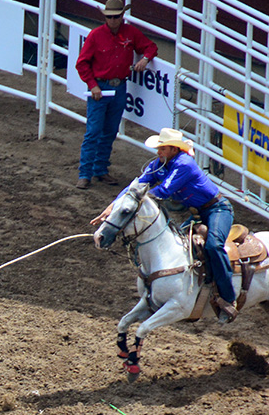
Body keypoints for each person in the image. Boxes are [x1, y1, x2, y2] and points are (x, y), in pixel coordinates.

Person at [92, 127, 239, 321]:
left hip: (217, 210)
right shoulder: (159, 165)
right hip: (197, 212)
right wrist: (113, 207)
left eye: (162, 148)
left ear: (174, 150)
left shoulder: (184, 164)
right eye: (159, 148)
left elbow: (163, 190)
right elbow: (134, 187)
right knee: (181, 245)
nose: (158, 152)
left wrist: (136, 199)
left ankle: (228, 299)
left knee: (213, 245)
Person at [73, 0, 156, 189]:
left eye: (115, 16)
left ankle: (98, 170)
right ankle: (86, 172)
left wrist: (145, 59)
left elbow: (150, 47)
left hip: (117, 88)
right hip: (101, 88)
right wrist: (93, 85)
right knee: (94, 131)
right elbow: (82, 63)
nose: (112, 20)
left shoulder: (130, 33)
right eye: (109, 17)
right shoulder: (96, 35)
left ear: (122, 16)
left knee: (109, 131)